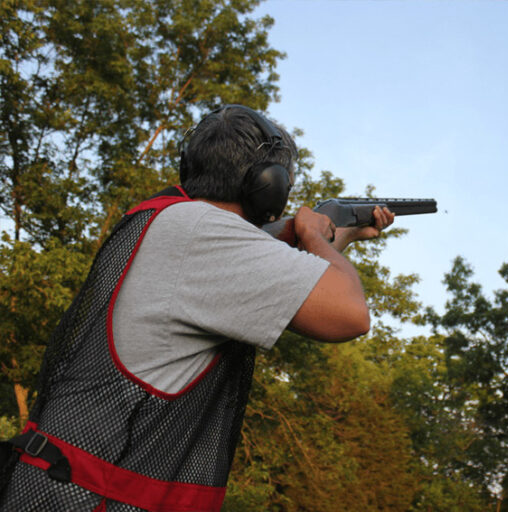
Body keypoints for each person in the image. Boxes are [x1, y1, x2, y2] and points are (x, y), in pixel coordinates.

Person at [0, 104, 394, 511]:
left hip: (61, 487)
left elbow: (302, 285)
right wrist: (315, 237)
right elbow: (349, 314)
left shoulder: (175, 224)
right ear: (268, 186)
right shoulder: (206, 235)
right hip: (91, 499)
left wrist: (338, 237)